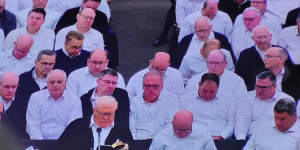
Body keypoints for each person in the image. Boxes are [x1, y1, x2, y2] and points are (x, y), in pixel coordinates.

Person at [5, 50, 56, 139]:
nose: (47, 66)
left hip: (48, 125)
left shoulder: (57, 82)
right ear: (36, 62)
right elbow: (16, 104)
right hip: (23, 124)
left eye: (51, 64)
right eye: (44, 63)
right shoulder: (23, 79)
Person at [54, 0, 119, 69]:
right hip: (69, 53)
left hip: (92, 51)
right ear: (83, 3)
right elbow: (59, 32)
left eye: (94, 8)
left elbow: (106, 34)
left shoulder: (101, 17)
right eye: (88, 7)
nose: (90, 10)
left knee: (112, 38)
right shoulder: (69, 14)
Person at [235, 71, 294, 142]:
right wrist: (241, 140)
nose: (259, 90)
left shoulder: (286, 100)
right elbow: (242, 121)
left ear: (274, 86)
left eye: (263, 87)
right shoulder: (247, 98)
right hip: (252, 139)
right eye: (257, 86)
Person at [57, 96, 133, 150]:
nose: (106, 117)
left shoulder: (122, 129)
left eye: (110, 114)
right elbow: (60, 147)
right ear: (94, 110)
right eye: (102, 113)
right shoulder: (76, 125)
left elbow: (130, 145)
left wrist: (127, 147)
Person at [26, 69, 82, 140]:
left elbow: (73, 127)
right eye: (52, 82)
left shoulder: (74, 100)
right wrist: (40, 143)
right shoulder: (35, 97)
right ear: (46, 82)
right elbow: (32, 125)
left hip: (65, 143)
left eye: (59, 82)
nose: (55, 85)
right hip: (39, 142)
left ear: (65, 82)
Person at [181, 73, 235, 141]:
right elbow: (181, 122)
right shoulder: (186, 99)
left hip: (220, 140)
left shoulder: (228, 100)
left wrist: (222, 136)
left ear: (218, 87)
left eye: (212, 92)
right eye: (205, 91)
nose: (207, 94)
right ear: (199, 85)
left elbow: (232, 123)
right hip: (194, 140)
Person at [130, 72, 179, 142]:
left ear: (162, 86)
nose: (151, 89)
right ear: (142, 86)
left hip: (163, 141)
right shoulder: (134, 103)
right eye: (148, 86)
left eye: (155, 86)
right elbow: (132, 129)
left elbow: (171, 126)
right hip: (139, 141)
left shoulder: (171, 99)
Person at [149, 110, 217, 150]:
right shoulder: (160, 137)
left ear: (192, 123)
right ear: (172, 124)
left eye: (186, 130)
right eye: (178, 130)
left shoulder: (203, 134)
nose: (183, 134)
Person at [235, 25, 273, 91]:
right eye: (259, 38)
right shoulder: (245, 55)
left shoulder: (280, 51)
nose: (263, 41)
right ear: (253, 38)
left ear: (270, 36)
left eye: (265, 37)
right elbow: (239, 79)